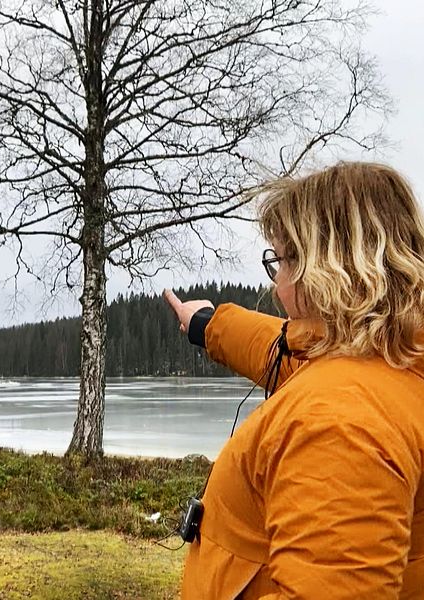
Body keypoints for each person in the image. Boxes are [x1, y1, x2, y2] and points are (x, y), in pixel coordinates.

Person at [164, 161, 424, 599]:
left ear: (321, 271)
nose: (276, 285)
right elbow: (290, 354)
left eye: (279, 261)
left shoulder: (340, 421)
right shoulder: (395, 358)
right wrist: (207, 325)